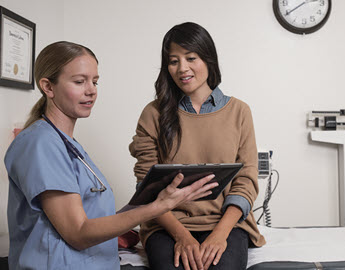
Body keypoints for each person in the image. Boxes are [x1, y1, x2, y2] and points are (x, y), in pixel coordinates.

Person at [4, 41, 217, 270]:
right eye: (79, 81)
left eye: (95, 81)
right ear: (48, 86)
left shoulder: (67, 144)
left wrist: (154, 199)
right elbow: (77, 232)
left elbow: (93, 218)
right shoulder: (40, 144)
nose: (91, 90)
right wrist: (158, 207)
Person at [129, 22, 266, 270]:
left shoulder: (239, 112)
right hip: (166, 225)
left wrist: (220, 234)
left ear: (208, 59)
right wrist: (182, 236)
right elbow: (146, 189)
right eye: (173, 61)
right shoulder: (153, 114)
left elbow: (246, 180)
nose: (182, 68)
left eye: (191, 58)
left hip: (226, 223)